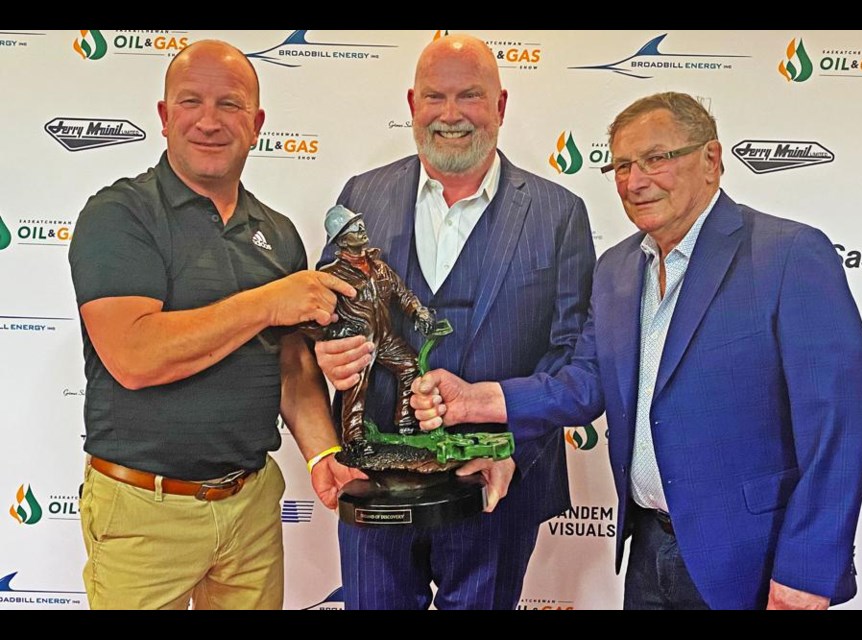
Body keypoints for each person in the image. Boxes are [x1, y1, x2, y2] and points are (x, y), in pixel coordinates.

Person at [412, 91, 862, 610]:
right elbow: (584, 381)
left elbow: (839, 422)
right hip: (647, 551)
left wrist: (807, 571)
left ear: (711, 160)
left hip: (753, 561)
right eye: (623, 165)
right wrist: (477, 400)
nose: (635, 181)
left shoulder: (788, 254)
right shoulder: (615, 268)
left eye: (657, 158)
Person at [67, 39, 361, 610]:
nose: (209, 121)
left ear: (256, 124)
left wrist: (324, 453)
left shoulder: (276, 233)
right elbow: (134, 356)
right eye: (190, 102)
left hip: (250, 505)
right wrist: (267, 303)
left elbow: (293, 366)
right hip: (144, 514)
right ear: (163, 116)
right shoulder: (120, 215)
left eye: (229, 105)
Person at [313, 34, 596, 609]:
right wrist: (329, 345)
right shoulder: (361, 196)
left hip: (496, 484)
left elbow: (571, 355)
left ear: (501, 105)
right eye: (435, 97)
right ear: (412, 104)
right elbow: (329, 310)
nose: (450, 115)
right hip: (378, 486)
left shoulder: (559, 213)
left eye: (470, 95)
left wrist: (509, 447)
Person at [305, 205, 436, 452]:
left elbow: (402, 294)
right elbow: (310, 318)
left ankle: (405, 422)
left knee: (411, 366)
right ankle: (354, 439)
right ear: (342, 240)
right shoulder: (331, 275)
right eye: (353, 227)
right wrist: (331, 335)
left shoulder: (380, 268)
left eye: (360, 223)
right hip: (357, 342)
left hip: (385, 338)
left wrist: (418, 311)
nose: (361, 228)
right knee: (356, 387)